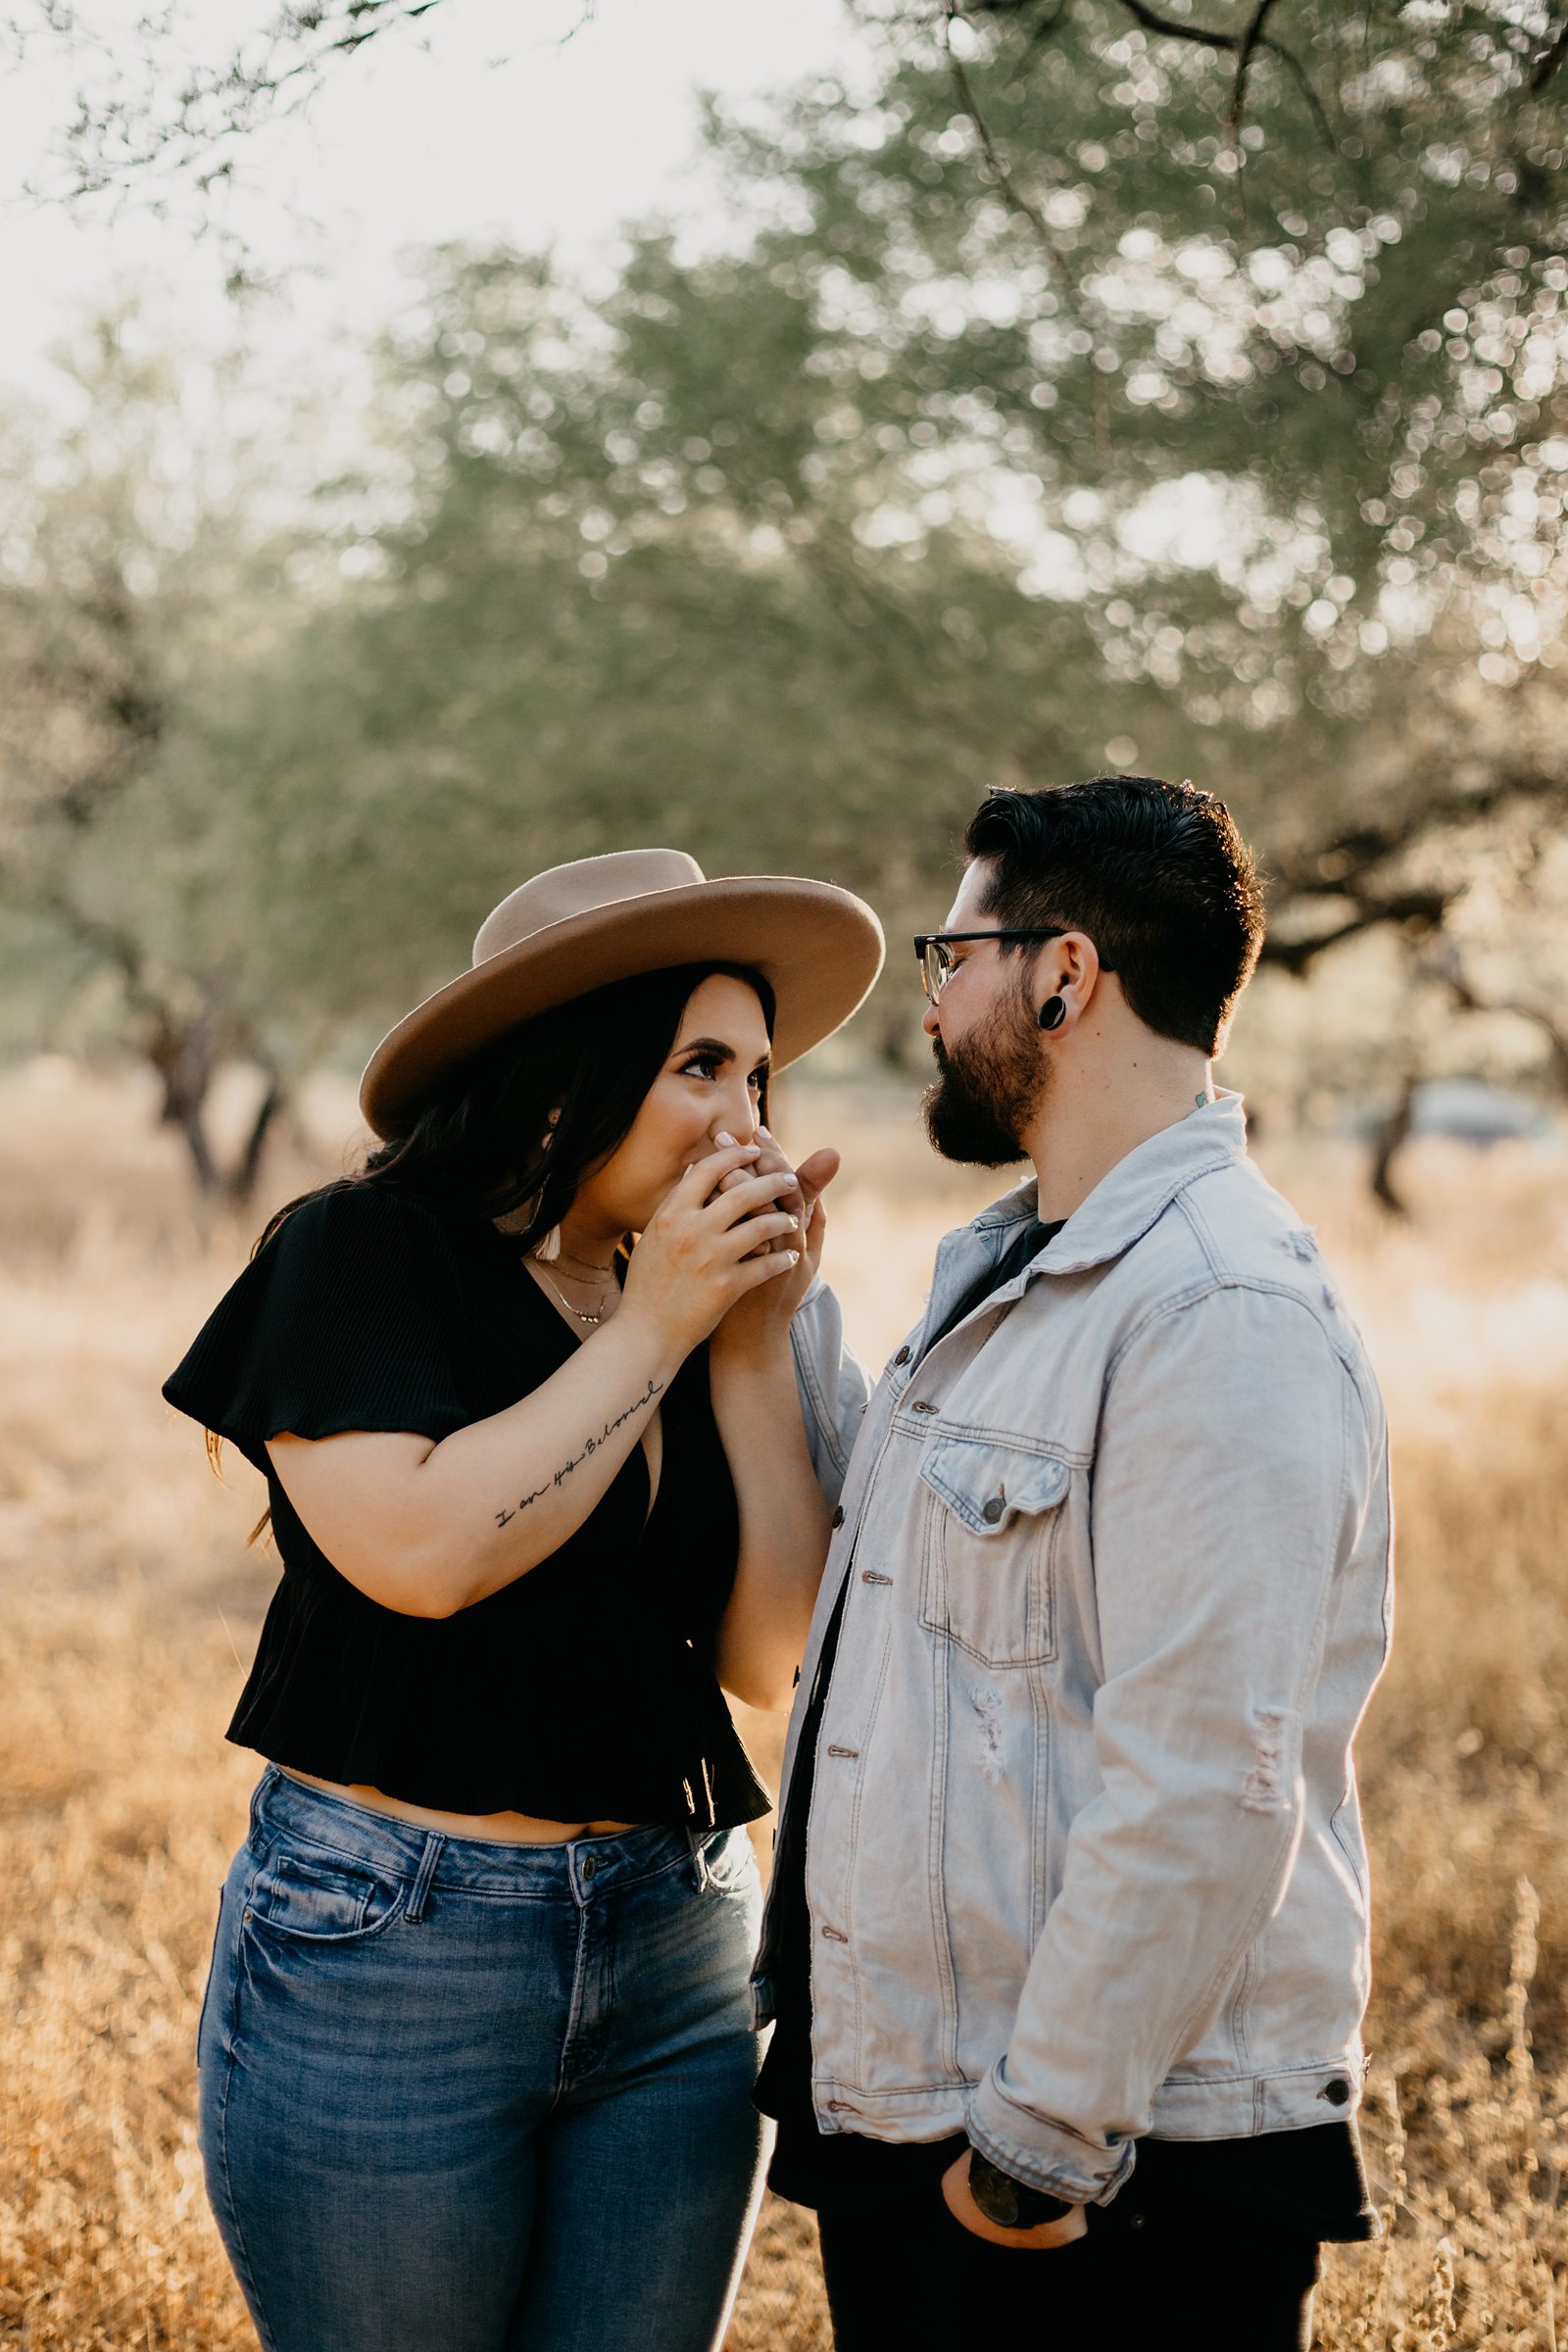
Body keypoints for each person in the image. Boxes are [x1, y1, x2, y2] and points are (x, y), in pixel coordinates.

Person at [163, 848, 882, 2352]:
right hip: (390, 1950)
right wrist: (663, 1319)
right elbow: (425, 1556)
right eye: (700, 1067)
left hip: (677, 1942)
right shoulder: (358, 1255)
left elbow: (769, 1657)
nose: (747, 1121)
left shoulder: (696, 1298)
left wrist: (748, 1344)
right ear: (562, 1079)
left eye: (760, 1076)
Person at [753, 778, 1391, 2352]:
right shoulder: (1035, 1264)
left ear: (1063, 975)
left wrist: (1038, 2146)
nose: (932, 1001)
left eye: (948, 956)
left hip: (1106, 2175)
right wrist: (775, 1322)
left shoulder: (1212, 1312)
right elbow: (893, 1588)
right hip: (940, 2113)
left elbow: (1207, 1771)